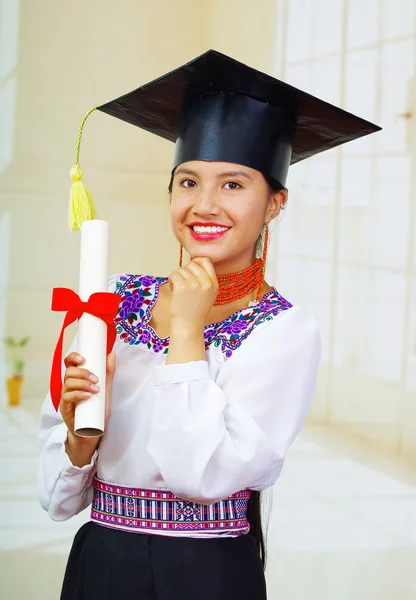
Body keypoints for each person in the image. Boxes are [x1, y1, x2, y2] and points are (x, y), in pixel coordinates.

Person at [38, 50, 380, 600]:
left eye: (233, 185)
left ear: (274, 204)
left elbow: (198, 478)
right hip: (102, 565)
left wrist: (189, 332)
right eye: (188, 182)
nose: (203, 205)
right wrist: (79, 440)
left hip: (205, 575)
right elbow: (57, 502)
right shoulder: (116, 300)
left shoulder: (284, 331)